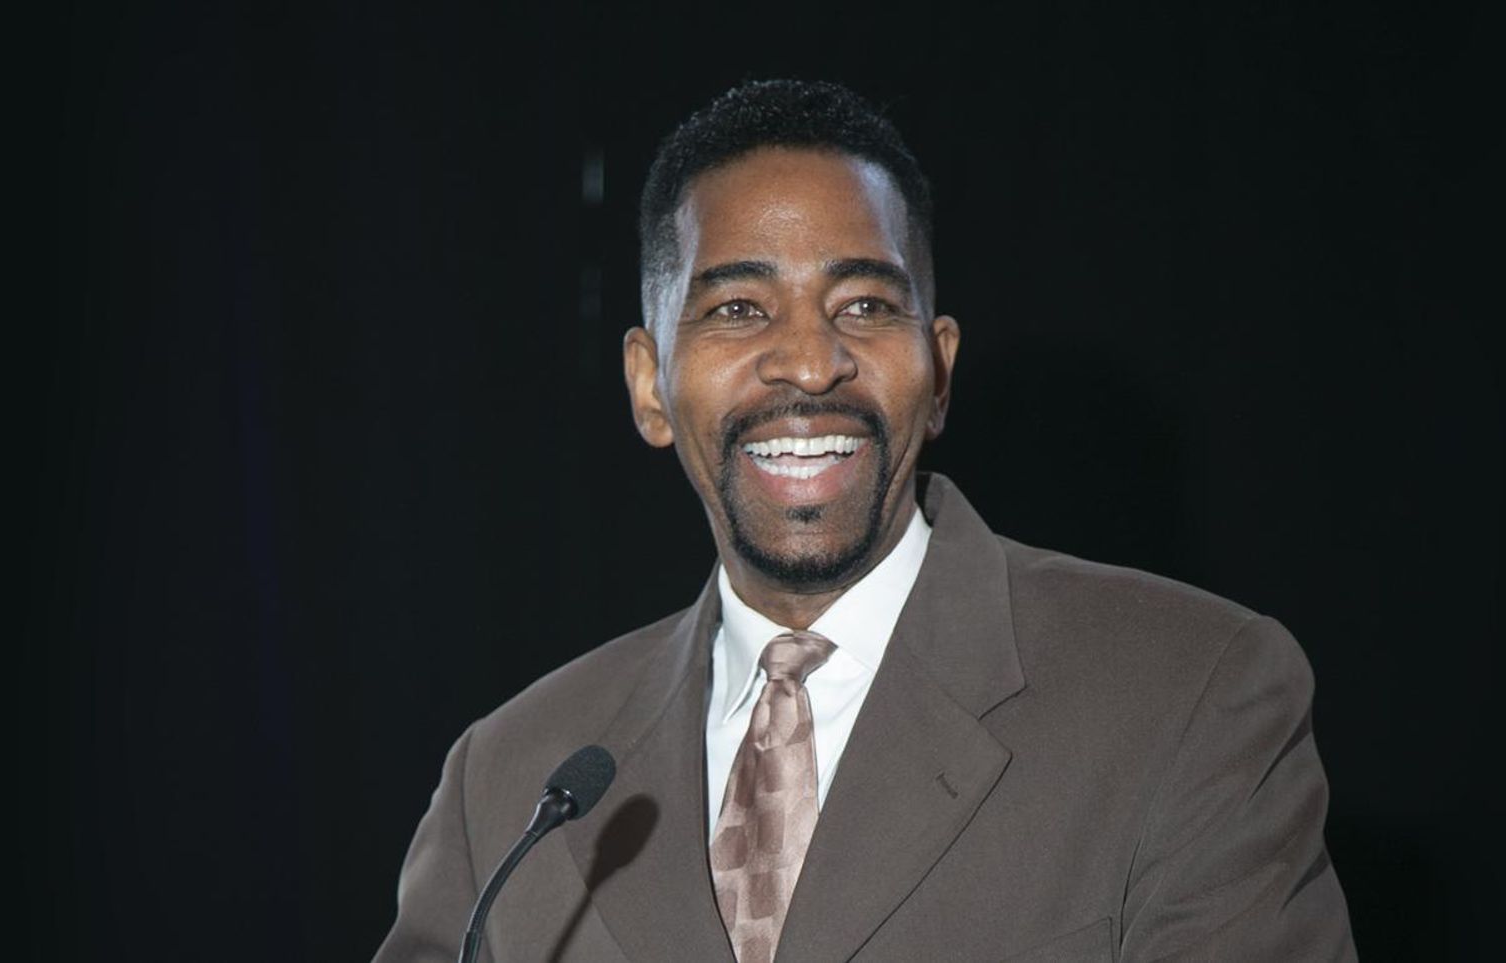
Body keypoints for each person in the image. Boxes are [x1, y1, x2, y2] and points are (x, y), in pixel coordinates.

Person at [375, 79, 1355, 963]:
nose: (809, 362)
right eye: (737, 311)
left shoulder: (1191, 691)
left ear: (938, 373)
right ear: (649, 386)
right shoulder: (508, 782)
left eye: (864, 306)